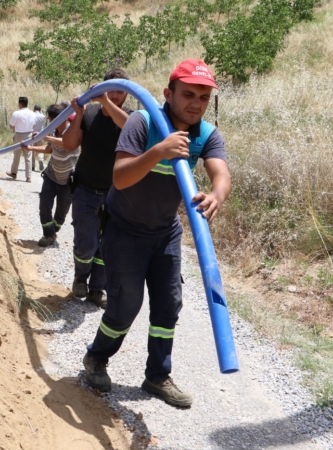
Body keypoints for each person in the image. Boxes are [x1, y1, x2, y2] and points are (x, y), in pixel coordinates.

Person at [82, 60, 231, 408]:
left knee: (168, 305)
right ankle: (97, 357)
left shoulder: (206, 134)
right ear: (168, 94)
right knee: (125, 305)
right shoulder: (142, 121)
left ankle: (157, 375)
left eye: (203, 97)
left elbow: (221, 173)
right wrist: (158, 152)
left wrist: (217, 194)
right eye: (188, 95)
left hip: (165, 233)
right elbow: (120, 177)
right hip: (124, 231)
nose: (195, 104)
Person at [62, 68, 132, 309]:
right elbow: (69, 145)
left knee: (108, 245)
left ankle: (97, 289)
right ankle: (80, 278)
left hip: (117, 193)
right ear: (102, 88)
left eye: (120, 91)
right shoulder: (89, 113)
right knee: (86, 243)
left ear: (127, 93)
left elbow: (129, 128)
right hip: (85, 189)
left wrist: (104, 102)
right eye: (109, 90)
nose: (114, 95)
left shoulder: (132, 118)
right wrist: (79, 114)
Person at [19, 104, 80, 247]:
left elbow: (66, 144)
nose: (52, 123)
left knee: (61, 212)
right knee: (44, 206)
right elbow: (49, 149)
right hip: (51, 175)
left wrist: (44, 136)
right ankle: (48, 234)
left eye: (54, 120)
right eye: (51, 120)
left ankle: (53, 231)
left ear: (64, 119)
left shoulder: (72, 130)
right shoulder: (52, 131)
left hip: (67, 180)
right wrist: (31, 147)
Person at [7, 96, 36, 182]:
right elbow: (34, 125)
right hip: (29, 135)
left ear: (20, 104)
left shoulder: (16, 113)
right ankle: (28, 177)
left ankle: (14, 172)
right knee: (28, 156)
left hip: (19, 135)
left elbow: (11, 125)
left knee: (17, 155)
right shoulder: (32, 113)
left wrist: (15, 129)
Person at [32, 104, 48, 172]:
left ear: (34, 109)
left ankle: (32, 166)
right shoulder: (42, 116)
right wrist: (41, 112)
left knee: (31, 150)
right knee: (41, 150)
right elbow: (46, 118)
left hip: (32, 135)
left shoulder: (31, 115)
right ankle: (40, 159)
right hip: (40, 135)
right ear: (40, 110)